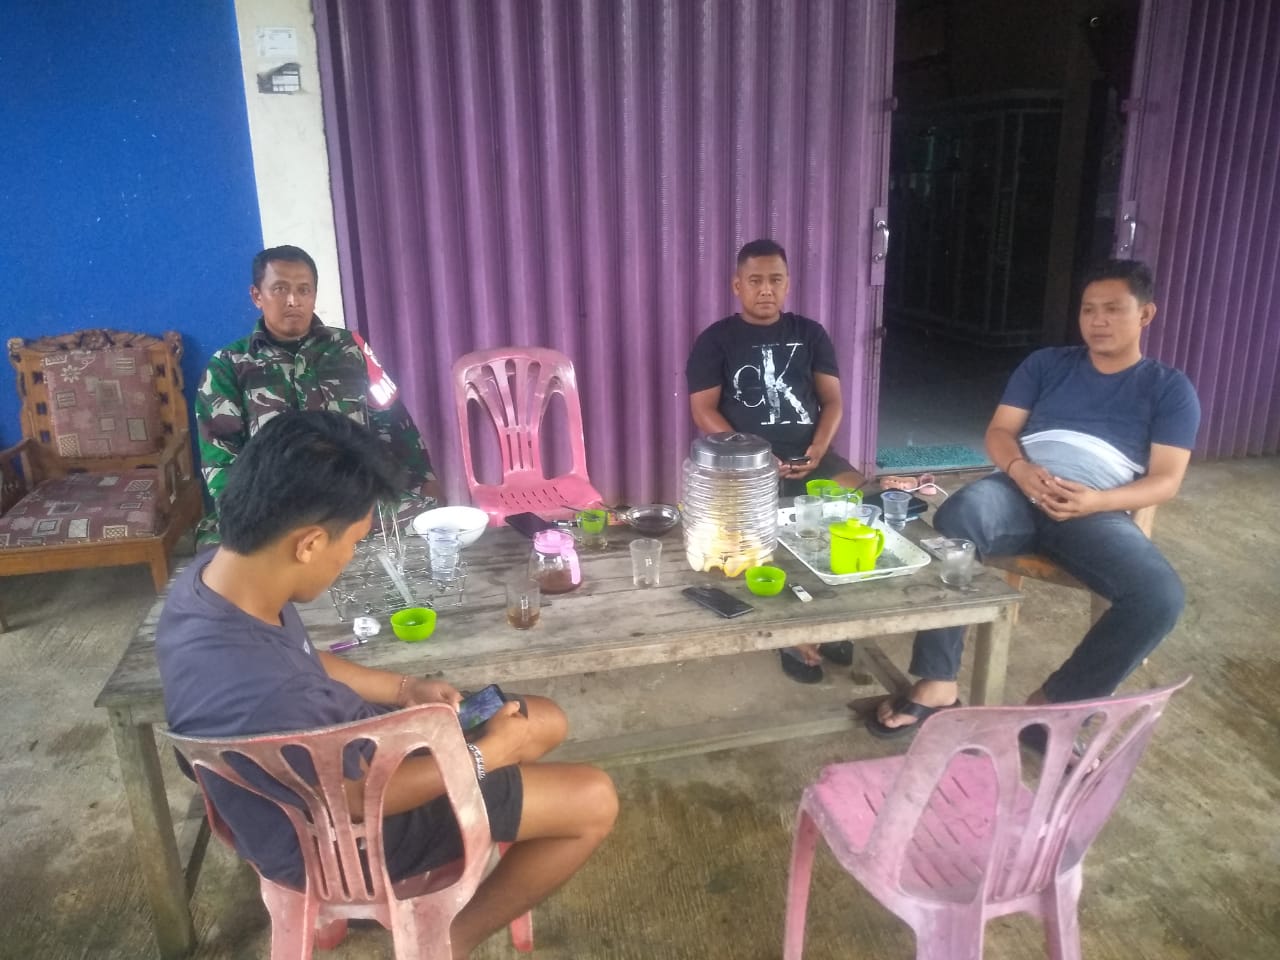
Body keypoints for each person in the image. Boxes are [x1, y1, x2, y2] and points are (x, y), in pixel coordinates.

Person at [157, 410, 617, 958]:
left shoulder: (216, 580)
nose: (350, 557)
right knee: (594, 799)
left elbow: (302, 658)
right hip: (333, 835)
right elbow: (355, 799)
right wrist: (485, 756)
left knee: (542, 719)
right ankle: (450, 940)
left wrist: (404, 689)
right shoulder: (262, 689)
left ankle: (499, 804)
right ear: (308, 543)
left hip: (323, 761)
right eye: (353, 542)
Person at [869, 259, 1200, 739]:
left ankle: (1054, 706)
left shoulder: (1169, 388)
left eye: (1112, 309)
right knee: (960, 515)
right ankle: (938, 681)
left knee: (1160, 597)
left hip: (1096, 509)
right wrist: (1020, 470)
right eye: (1088, 309)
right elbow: (1000, 431)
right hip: (1018, 492)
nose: (1097, 320)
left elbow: (1166, 480)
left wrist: (1097, 502)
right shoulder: (1046, 364)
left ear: (1146, 314)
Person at [686, 238, 865, 684]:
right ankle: (789, 632)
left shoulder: (810, 333)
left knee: (856, 501)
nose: (766, 289)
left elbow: (832, 401)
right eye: (755, 280)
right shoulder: (716, 340)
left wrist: (818, 450)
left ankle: (836, 616)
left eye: (775, 280)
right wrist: (755, 457)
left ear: (788, 284)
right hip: (746, 467)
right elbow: (703, 410)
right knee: (760, 534)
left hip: (810, 455)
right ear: (737, 286)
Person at [194, 244, 441, 547]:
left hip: (353, 501)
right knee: (219, 551)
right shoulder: (229, 365)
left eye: (304, 290)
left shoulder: (351, 349)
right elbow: (219, 456)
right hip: (274, 508)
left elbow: (392, 420)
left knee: (430, 521)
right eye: (280, 289)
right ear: (257, 296)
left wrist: (424, 480)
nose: (293, 300)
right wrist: (248, 515)